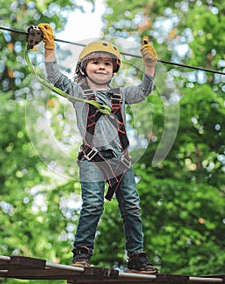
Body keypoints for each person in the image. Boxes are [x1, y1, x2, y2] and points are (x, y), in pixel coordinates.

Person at [38, 23, 158, 274]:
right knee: (92, 204)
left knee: (132, 207)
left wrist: (149, 67)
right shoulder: (76, 90)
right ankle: (82, 252)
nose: (101, 66)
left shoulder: (121, 94)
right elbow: (54, 78)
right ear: (83, 67)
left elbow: (145, 90)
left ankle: (136, 256)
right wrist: (50, 47)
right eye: (95, 62)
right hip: (92, 159)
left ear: (114, 70)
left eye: (107, 63)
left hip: (120, 160)